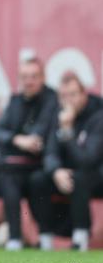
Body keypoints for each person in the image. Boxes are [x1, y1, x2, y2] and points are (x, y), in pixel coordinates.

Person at [0, 57, 57, 250]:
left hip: (37, 167)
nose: (29, 81)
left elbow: (39, 138)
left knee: (11, 177)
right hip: (12, 166)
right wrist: (17, 140)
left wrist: (17, 142)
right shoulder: (16, 101)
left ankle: (16, 238)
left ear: (43, 78)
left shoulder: (51, 100)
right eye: (25, 77)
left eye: (34, 76)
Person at [31, 72, 103, 251]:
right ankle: (45, 237)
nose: (68, 100)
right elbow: (50, 152)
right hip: (65, 174)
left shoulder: (98, 117)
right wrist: (55, 171)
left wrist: (67, 131)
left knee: (79, 177)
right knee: (38, 179)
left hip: (96, 174)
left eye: (72, 95)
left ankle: (80, 236)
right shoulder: (58, 115)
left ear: (83, 94)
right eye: (63, 96)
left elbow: (87, 160)